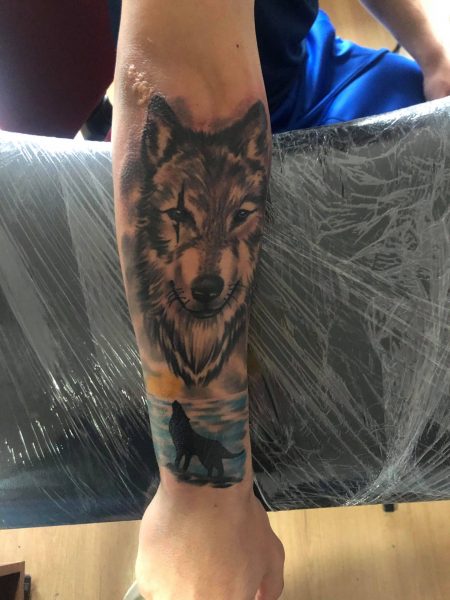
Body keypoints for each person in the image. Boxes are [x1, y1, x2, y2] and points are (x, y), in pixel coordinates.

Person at [111, 1, 449, 599]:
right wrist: (202, 499)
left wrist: (430, 47)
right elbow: (179, 77)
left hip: (304, 70)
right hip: (211, 100)